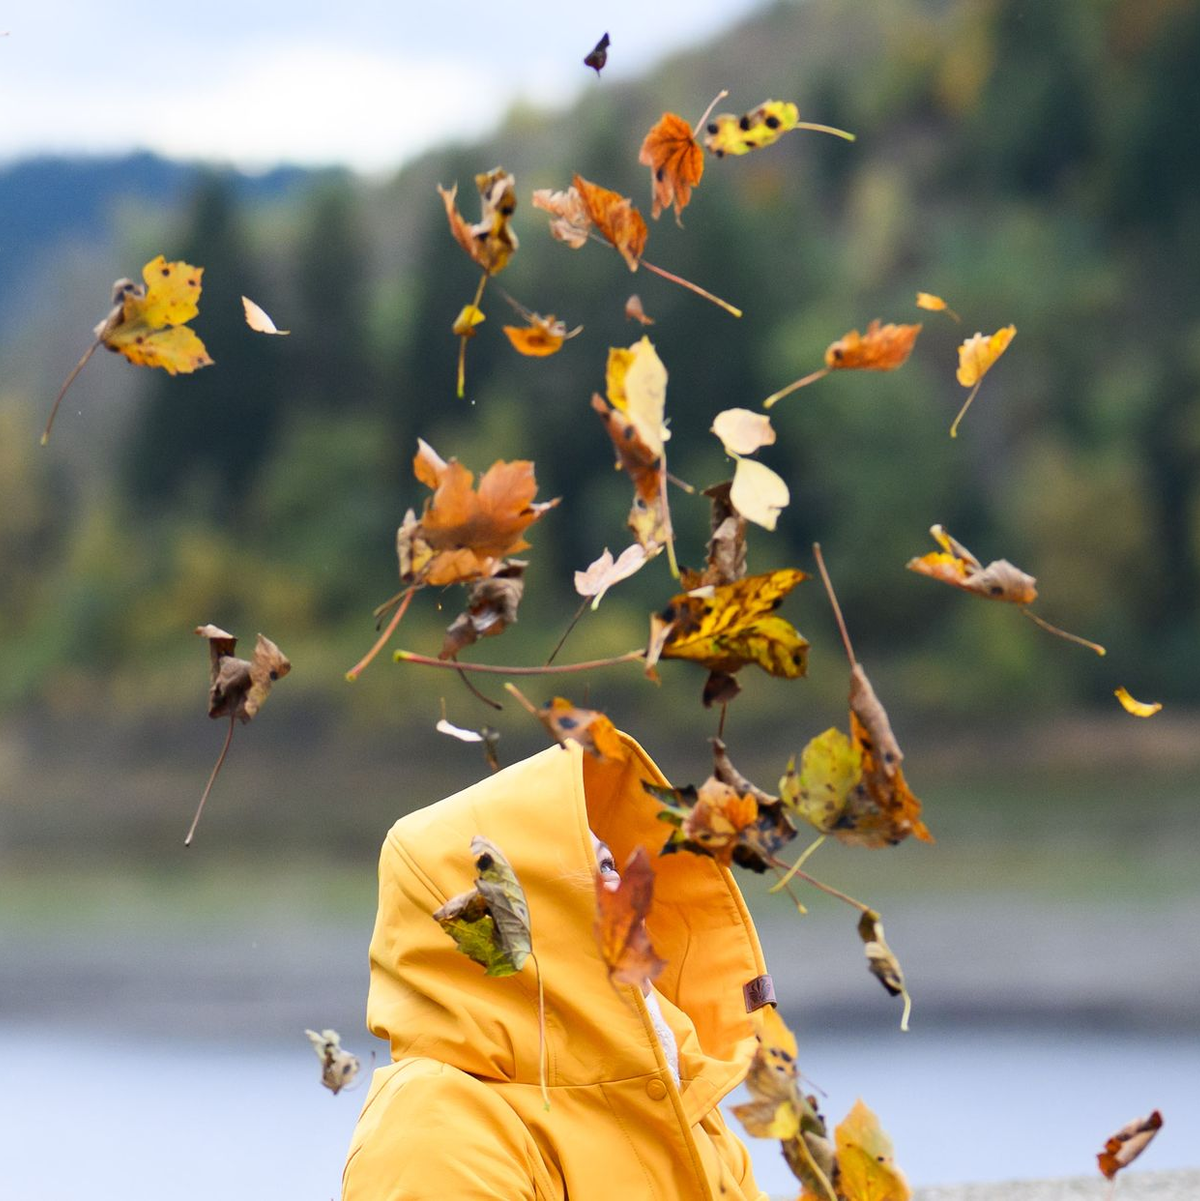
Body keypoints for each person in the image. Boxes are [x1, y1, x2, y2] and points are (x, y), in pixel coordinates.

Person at [342, 730, 774, 1200]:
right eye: (601, 869)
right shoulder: (434, 1125)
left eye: (612, 862)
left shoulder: (684, 1093)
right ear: (526, 912)